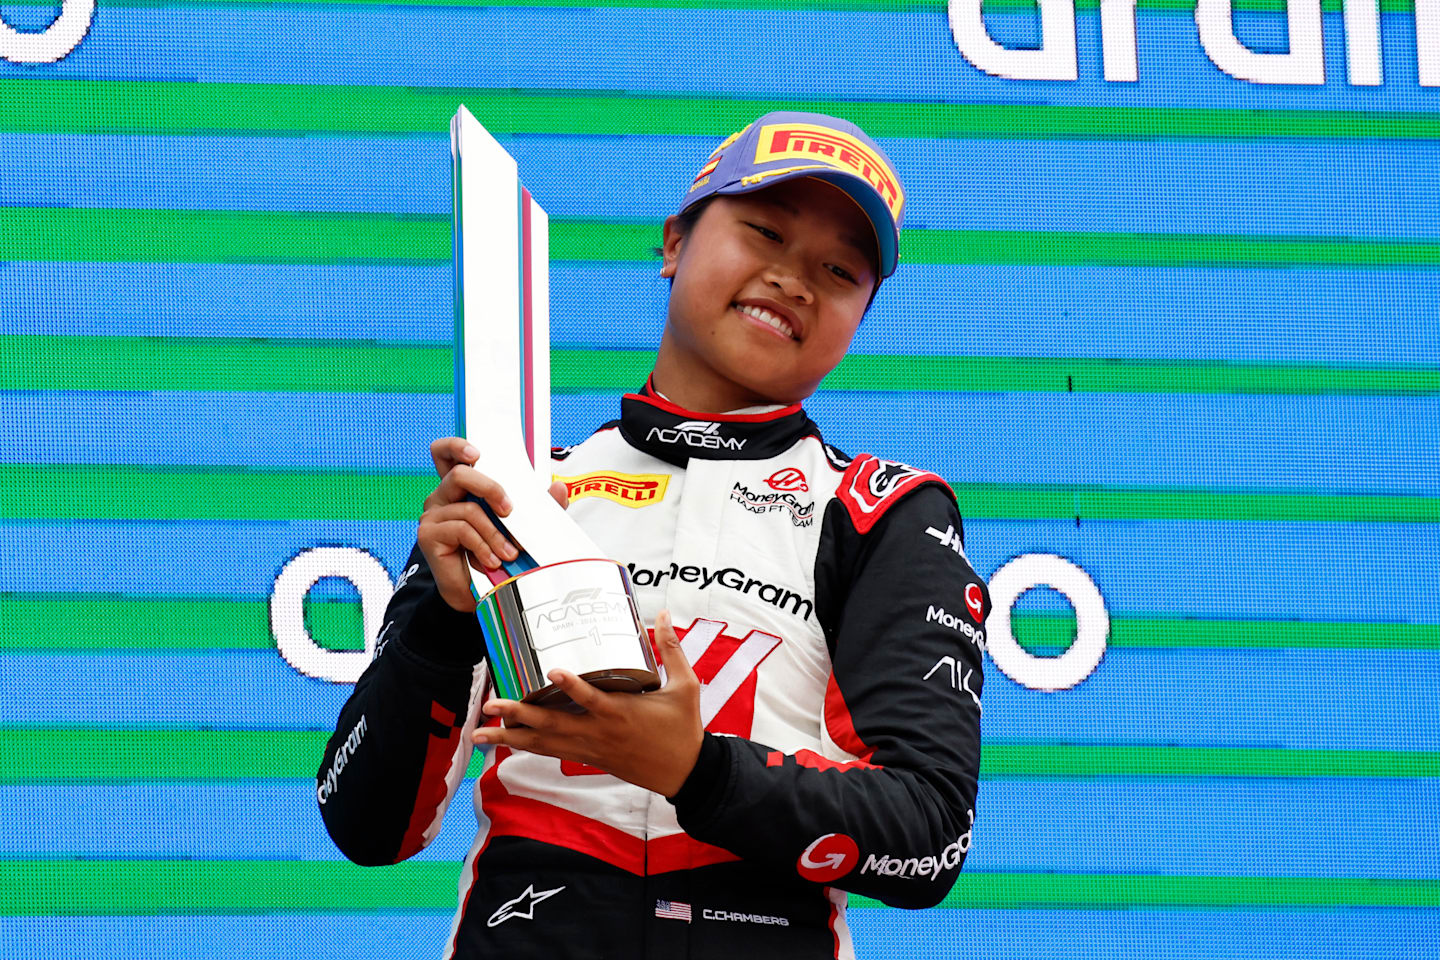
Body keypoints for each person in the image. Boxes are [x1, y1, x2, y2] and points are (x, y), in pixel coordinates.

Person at [317, 112, 989, 960]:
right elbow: (366, 826)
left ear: (862, 313)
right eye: (764, 233)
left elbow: (929, 840)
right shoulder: (518, 491)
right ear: (674, 243)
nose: (793, 280)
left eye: (839, 270)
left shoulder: (880, 513)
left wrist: (695, 771)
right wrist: (442, 629)